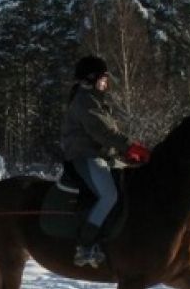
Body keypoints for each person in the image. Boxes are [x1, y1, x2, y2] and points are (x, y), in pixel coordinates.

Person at [59, 55, 151, 267]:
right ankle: (85, 245)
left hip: (102, 156)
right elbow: (102, 132)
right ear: (91, 79)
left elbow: (107, 136)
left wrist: (126, 155)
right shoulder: (84, 101)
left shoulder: (96, 101)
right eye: (103, 79)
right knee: (109, 195)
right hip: (85, 156)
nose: (106, 83)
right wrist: (131, 147)